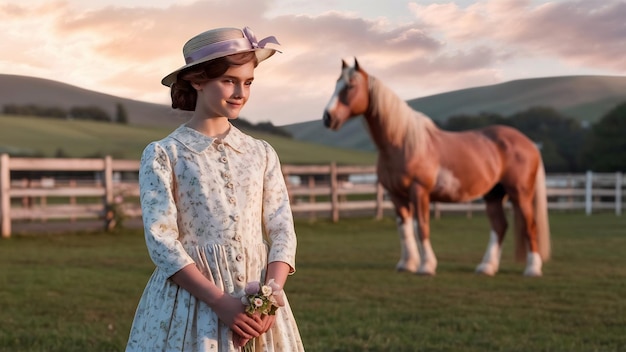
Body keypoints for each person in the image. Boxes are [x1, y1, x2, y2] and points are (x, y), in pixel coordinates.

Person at [125, 26, 305, 352]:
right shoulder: (166, 153)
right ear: (197, 80)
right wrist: (220, 302)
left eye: (248, 82)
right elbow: (162, 240)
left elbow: (281, 230)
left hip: (260, 309)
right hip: (193, 305)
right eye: (229, 80)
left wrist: (270, 301)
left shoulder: (261, 152)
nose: (240, 92)